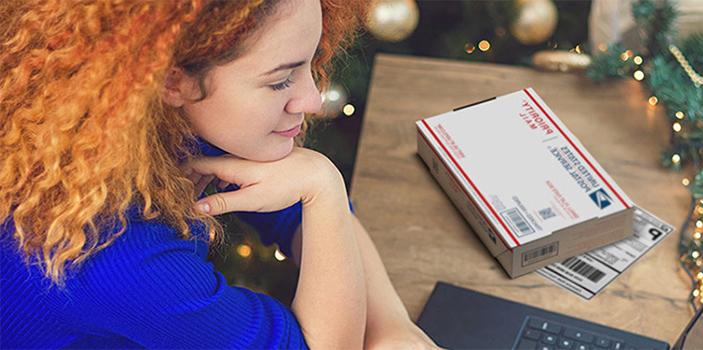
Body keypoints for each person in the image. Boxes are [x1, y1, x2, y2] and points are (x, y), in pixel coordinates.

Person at [0, 0, 440, 348]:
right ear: (173, 80)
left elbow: (301, 218)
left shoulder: (151, 121)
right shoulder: (111, 254)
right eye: (280, 81)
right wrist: (323, 185)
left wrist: (391, 325)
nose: (312, 99)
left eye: (310, 63)